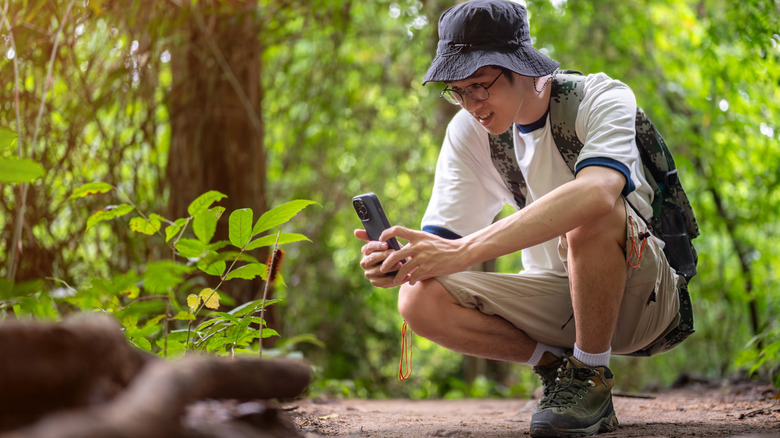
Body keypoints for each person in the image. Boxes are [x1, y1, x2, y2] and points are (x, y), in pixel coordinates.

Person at [355, 0, 685, 436]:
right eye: (457, 90)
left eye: (479, 84)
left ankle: (591, 376)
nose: (470, 103)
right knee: (418, 297)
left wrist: (461, 251)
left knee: (589, 210)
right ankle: (557, 372)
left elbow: (598, 192)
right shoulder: (469, 133)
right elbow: (439, 245)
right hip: (556, 305)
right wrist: (405, 261)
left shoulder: (602, 97)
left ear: (521, 66)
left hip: (644, 297)